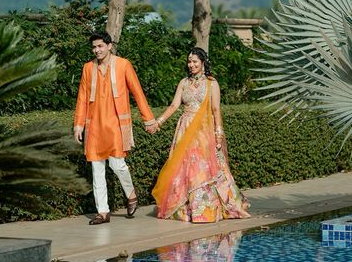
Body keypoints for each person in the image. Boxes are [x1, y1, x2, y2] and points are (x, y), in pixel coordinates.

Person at [152, 47, 250, 223]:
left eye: (195, 61)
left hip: (204, 130)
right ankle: (185, 209)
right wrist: (158, 122)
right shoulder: (184, 82)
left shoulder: (212, 84)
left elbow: (215, 109)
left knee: (203, 167)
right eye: (189, 61)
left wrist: (219, 134)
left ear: (203, 62)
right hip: (185, 128)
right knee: (184, 167)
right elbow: (174, 106)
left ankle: (205, 209)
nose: (191, 65)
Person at [74, 31, 158, 225]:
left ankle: (131, 194)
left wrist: (149, 119)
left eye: (100, 46)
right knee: (97, 169)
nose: (97, 50)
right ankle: (102, 212)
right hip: (94, 126)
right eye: (94, 47)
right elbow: (82, 98)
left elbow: (137, 92)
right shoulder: (88, 68)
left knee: (118, 165)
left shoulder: (123, 65)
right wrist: (78, 125)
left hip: (115, 126)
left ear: (109, 46)